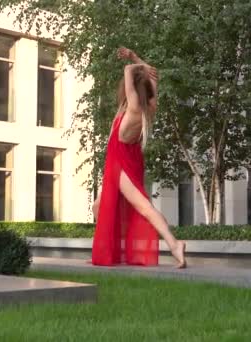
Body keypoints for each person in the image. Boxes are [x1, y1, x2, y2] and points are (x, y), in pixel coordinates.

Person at [91, 47, 187, 269]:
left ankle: (174, 244)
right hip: (128, 159)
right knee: (99, 207)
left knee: (144, 208)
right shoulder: (149, 106)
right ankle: (111, 248)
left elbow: (128, 71)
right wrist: (136, 57)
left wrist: (133, 64)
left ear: (133, 89)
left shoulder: (134, 108)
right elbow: (152, 74)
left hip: (121, 164)